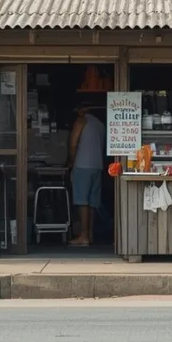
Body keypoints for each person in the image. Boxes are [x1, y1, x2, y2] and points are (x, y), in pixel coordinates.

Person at [66, 100, 105, 247]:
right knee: (92, 202)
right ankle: (89, 234)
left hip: (82, 165)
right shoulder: (100, 125)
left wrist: (70, 161)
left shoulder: (81, 121)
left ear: (82, 110)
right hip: (98, 166)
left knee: (82, 201)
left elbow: (73, 144)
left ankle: (83, 236)